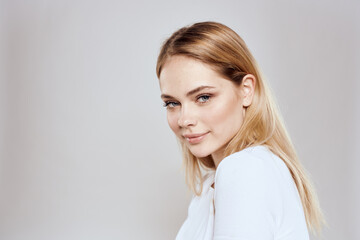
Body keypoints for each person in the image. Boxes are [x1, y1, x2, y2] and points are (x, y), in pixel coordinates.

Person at [156, 21, 326, 240]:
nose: (184, 119)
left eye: (204, 97)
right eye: (172, 103)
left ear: (246, 90)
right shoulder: (211, 186)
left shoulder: (244, 169)